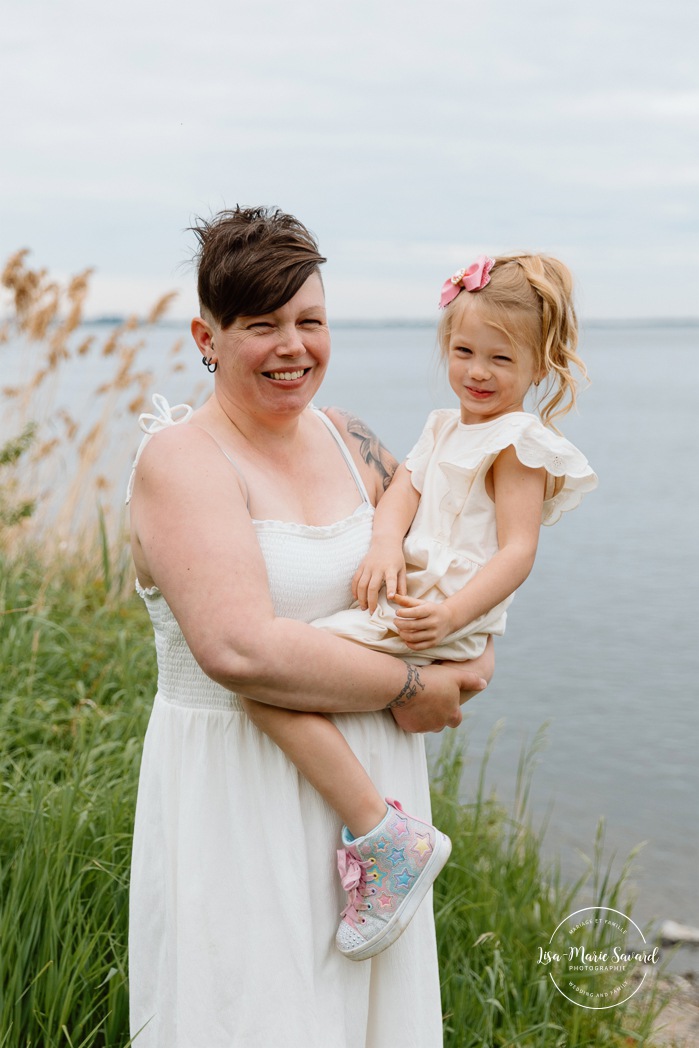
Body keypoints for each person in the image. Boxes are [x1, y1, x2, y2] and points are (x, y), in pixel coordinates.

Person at [126, 205, 492, 1048]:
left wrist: (476, 646)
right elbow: (239, 648)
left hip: (375, 799)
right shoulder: (182, 460)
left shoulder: (352, 438)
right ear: (205, 336)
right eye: (262, 326)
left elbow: (454, 548)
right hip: (237, 799)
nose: (293, 348)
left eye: (310, 321)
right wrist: (415, 685)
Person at [242, 251, 597, 963]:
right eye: (463, 351)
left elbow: (516, 551)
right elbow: (401, 493)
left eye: (500, 358)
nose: (477, 372)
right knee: (298, 669)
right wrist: (380, 545)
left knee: (268, 683)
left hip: (441, 616)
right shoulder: (443, 426)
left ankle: (385, 840)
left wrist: (454, 616)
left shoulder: (516, 444)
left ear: (538, 366)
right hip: (414, 605)